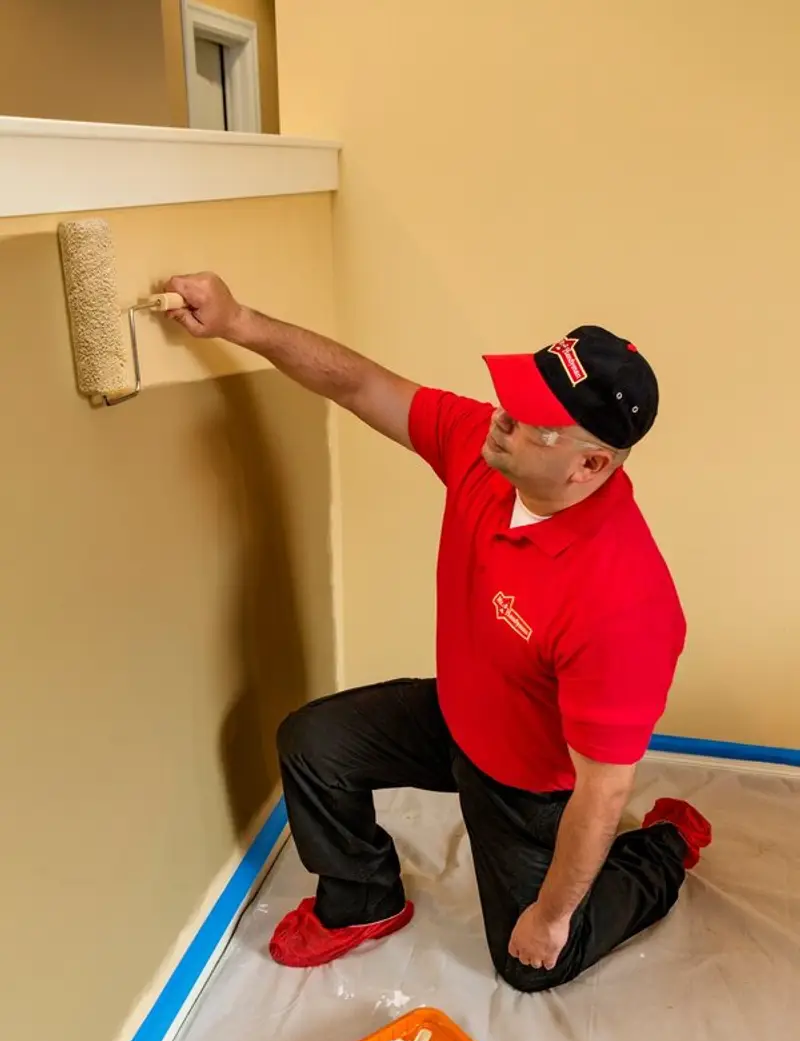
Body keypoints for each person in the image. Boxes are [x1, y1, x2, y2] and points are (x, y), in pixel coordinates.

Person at [164, 272, 712, 993]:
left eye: (528, 420)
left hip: (528, 780)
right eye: (511, 401)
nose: (500, 420)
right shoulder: (488, 458)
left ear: (590, 465)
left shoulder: (622, 602)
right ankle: (363, 899)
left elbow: (603, 790)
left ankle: (665, 848)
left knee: (533, 963)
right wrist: (239, 322)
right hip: (459, 712)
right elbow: (361, 385)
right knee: (313, 743)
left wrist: (550, 916)